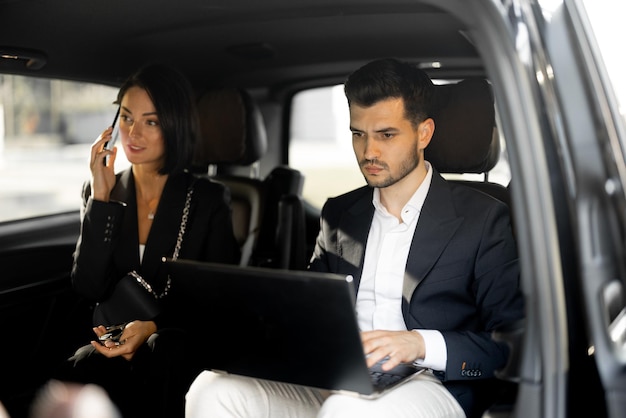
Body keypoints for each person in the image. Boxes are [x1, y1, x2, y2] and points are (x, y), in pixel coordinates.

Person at [184, 57, 525, 418]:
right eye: (358, 134)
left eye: (386, 135)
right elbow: (309, 312)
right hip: (338, 376)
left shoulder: (483, 219)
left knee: (346, 410)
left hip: (431, 382)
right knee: (213, 390)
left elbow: (511, 342)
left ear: (423, 133)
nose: (369, 152)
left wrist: (419, 343)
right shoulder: (339, 214)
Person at [53, 63, 241, 418]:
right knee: (81, 364)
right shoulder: (102, 191)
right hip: (112, 338)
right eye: (126, 118)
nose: (132, 133)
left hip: (177, 341)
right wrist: (101, 199)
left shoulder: (207, 199)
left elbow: (218, 300)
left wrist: (152, 326)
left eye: (150, 122)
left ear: (175, 126)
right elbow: (89, 287)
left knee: (163, 349)